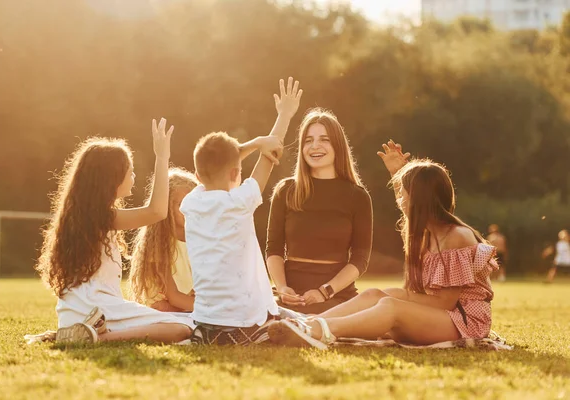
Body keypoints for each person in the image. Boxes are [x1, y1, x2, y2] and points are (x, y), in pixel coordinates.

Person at [267, 140, 499, 349]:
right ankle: (305, 323)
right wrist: (398, 173)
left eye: (405, 193)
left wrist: (401, 296)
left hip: (463, 322)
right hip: (441, 316)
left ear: (420, 198)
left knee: (389, 304)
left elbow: (446, 303)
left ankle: (320, 331)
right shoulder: (426, 234)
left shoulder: (458, 236)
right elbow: (407, 208)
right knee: (374, 294)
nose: (401, 199)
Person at [35, 118, 194, 344]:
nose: (134, 177)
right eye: (129, 172)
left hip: (78, 312)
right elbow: (157, 211)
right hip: (96, 309)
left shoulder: (87, 216)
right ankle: (97, 339)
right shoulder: (101, 217)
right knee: (183, 329)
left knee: (181, 327)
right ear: (111, 179)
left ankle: (85, 334)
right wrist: (161, 157)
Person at [179, 77, 302, 345]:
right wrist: (283, 117)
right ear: (236, 172)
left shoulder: (190, 202)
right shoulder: (239, 201)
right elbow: (271, 156)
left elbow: (226, 164)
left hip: (206, 321)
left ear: (197, 175)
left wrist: (254, 143)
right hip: (245, 321)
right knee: (303, 323)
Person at [265, 108, 373, 314]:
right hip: (290, 295)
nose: (315, 146)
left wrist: (325, 291)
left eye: (324, 139)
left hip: (336, 295)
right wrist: (282, 288)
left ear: (337, 146)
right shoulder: (285, 191)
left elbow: (360, 259)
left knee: (353, 318)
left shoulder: (357, 196)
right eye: (308, 140)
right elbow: (274, 249)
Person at [129, 168, 198, 311]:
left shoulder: (199, 242)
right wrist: (213, 311)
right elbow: (173, 297)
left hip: (187, 306)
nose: (189, 210)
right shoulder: (158, 244)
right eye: (181, 204)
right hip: (163, 307)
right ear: (166, 207)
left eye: (194, 204)